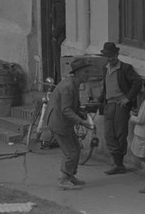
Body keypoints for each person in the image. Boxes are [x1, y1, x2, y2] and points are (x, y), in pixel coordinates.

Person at [46, 57, 94, 190]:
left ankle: (70, 175)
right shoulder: (68, 86)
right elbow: (66, 110)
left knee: (76, 149)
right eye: (86, 72)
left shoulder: (73, 83)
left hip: (63, 123)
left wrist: (80, 112)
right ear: (77, 73)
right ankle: (63, 179)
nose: (88, 75)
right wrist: (82, 122)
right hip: (59, 124)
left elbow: (73, 105)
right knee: (70, 152)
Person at [96, 42, 142, 175]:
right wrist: (100, 99)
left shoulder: (126, 68)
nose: (111, 59)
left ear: (117, 55)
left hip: (121, 106)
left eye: (112, 56)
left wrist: (128, 98)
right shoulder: (105, 68)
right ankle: (117, 162)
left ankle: (119, 164)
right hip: (109, 105)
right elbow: (106, 88)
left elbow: (137, 82)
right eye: (108, 56)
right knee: (109, 134)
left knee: (121, 134)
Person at [51, 0, 66, 82]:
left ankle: (58, 80)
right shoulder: (67, 1)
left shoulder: (59, 3)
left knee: (58, 59)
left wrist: (54, 35)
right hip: (64, 34)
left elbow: (61, 22)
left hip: (60, 35)